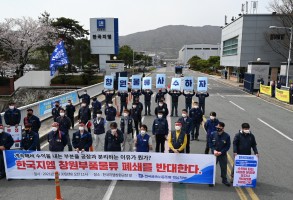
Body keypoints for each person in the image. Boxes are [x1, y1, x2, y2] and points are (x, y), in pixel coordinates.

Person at [209, 122, 231, 187]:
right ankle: (211, 180)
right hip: (214, 154)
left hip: (222, 154)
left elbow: (227, 146)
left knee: (224, 168)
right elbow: (210, 143)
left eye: (219, 127)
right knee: (212, 168)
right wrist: (214, 150)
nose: (217, 128)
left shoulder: (227, 136)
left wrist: (221, 152)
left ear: (222, 128)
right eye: (217, 127)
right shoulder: (213, 134)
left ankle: (224, 180)